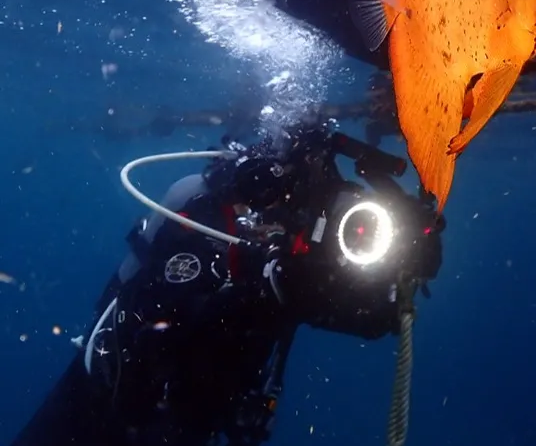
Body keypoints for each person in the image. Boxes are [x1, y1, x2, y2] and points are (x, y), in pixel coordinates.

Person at [11, 120, 444, 446]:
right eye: (286, 185)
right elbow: (154, 327)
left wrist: (413, 252)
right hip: (101, 404)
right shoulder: (200, 208)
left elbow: (368, 318)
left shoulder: (306, 244)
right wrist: (262, 288)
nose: (287, 207)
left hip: (196, 425)